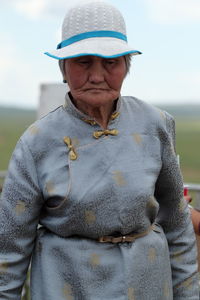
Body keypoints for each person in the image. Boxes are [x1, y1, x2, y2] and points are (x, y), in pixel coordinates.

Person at [0, 1, 199, 299]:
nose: (97, 75)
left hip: (148, 285)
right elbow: (10, 247)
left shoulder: (155, 124)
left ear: (125, 67)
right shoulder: (37, 141)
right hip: (68, 287)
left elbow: (177, 224)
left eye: (111, 62)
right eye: (83, 61)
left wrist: (188, 295)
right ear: (64, 68)